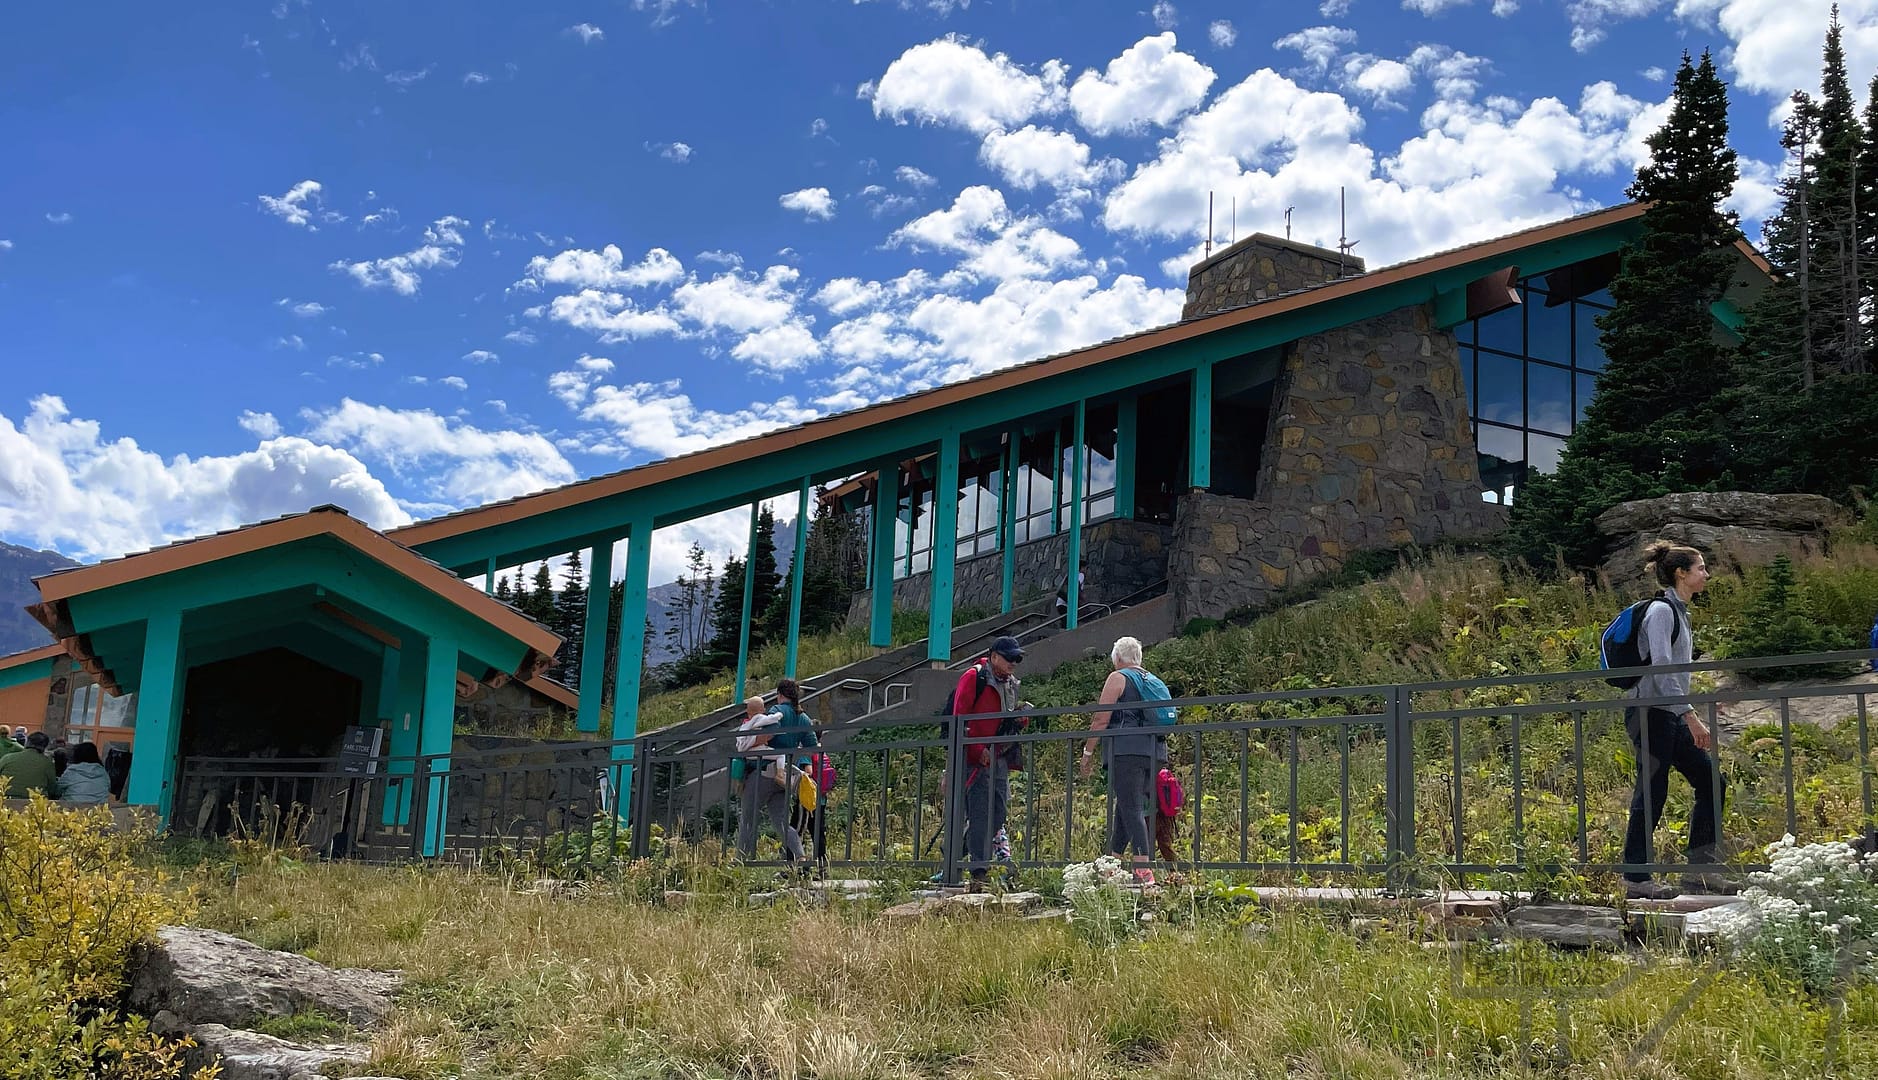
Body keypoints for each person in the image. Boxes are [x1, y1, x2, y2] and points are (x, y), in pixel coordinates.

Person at [1622, 540, 1736, 900]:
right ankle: (1636, 879)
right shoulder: (1661, 612)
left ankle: (1699, 873)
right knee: (1653, 790)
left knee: (1711, 782)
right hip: (1649, 712)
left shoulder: (1680, 612)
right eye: (1701, 568)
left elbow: (1673, 674)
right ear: (1681, 574)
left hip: (1667, 712)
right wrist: (1690, 715)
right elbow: (1661, 668)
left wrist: (1690, 708)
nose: (1707, 574)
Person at [1081, 636, 1164, 885]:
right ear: (1138, 658)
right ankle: (1111, 864)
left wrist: (1087, 753)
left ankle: (1143, 870)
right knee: (1127, 809)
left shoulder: (1118, 677)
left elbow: (1101, 719)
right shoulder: (1153, 679)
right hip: (1156, 752)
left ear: (1117, 658)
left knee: (1132, 808)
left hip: (1126, 751)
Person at [948, 636, 1025, 889]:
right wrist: (977, 748)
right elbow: (960, 718)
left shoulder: (1010, 683)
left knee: (998, 811)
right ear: (993, 657)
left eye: (1017, 658)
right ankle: (978, 871)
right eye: (1009, 657)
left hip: (999, 755)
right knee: (981, 813)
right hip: (976, 758)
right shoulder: (974, 677)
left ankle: (956, 850)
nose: (1014, 662)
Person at [0, 732, 58, 799]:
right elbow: (52, 788)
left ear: (27, 742)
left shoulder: (8, 758)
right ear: (45, 746)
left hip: (5, 800)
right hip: (34, 803)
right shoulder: (47, 763)